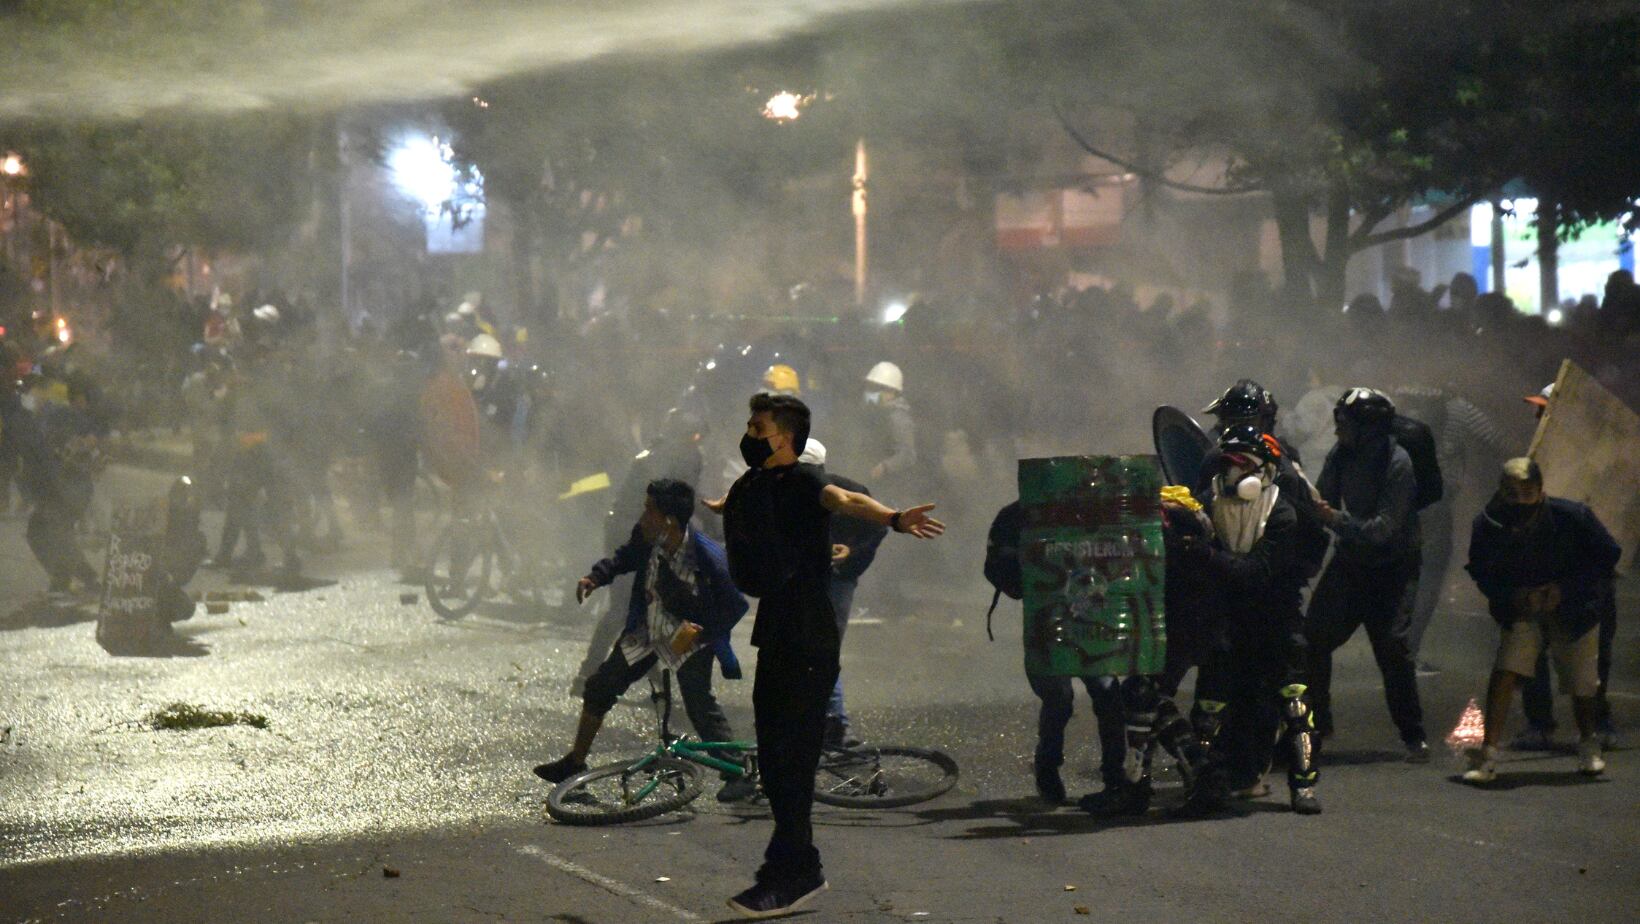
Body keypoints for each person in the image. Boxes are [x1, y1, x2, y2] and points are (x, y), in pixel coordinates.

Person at [716, 393, 942, 919]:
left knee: (792, 757)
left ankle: (797, 870)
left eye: (758, 426)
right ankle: (788, 863)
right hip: (776, 626)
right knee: (774, 756)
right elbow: (745, 512)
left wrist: (894, 518)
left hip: (809, 628)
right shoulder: (756, 484)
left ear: (784, 437)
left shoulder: (807, 482)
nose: (748, 433)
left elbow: (846, 501)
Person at [534, 479, 756, 802]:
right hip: (648, 630)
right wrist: (596, 577)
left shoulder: (706, 555)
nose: (642, 517)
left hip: (689, 639)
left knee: (700, 705)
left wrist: (705, 632)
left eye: (649, 511)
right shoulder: (648, 538)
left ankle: (737, 774)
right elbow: (624, 558)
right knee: (601, 686)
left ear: (669, 520)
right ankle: (575, 762)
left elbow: (736, 604)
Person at [1185, 426, 1321, 814]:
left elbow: (1255, 572)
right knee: (1210, 707)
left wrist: (1207, 556)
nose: (1230, 472)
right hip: (1227, 616)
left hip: (1273, 615)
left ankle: (1303, 787)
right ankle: (1204, 786)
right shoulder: (1209, 504)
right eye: (1226, 463)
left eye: (1239, 464)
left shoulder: (1282, 514)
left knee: (1294, 701)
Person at [1461, 458, 1621, 783]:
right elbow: (1481, 570)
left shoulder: (1572, 516)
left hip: (1574, 608)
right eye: (1511, 493)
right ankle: (1489, 755)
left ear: (1541, 491)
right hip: (1524, 607)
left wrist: (1565, 589)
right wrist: (1513, 596)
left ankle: (1589, 743)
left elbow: (1607, 555)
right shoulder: (1490, 524)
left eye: (1527, 492)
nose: (1519, 501)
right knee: (1507, 668)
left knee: (1582, 683)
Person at [1305, 388, 1430, 762]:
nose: (1337, 428)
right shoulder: (1342, 454)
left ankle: (1413, 735)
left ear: (1369, 428)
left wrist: (1333, 518)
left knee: (1392, 649)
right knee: (1313, 639)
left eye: (1345, 422)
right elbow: (1322, 497)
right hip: (1351, 562)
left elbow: (1383, 529)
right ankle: (1317, 723)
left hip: (1393, 568)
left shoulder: (1398, 463)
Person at [1512, 386, 1620, 750]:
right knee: (1531, 650)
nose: (1536, 417)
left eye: (1544, 410)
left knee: (1591, 652)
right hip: (1540, 571)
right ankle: (1539, 722)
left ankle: (1597, 723)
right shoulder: (1535, 465)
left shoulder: (1599, 463)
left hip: (1585, 575)